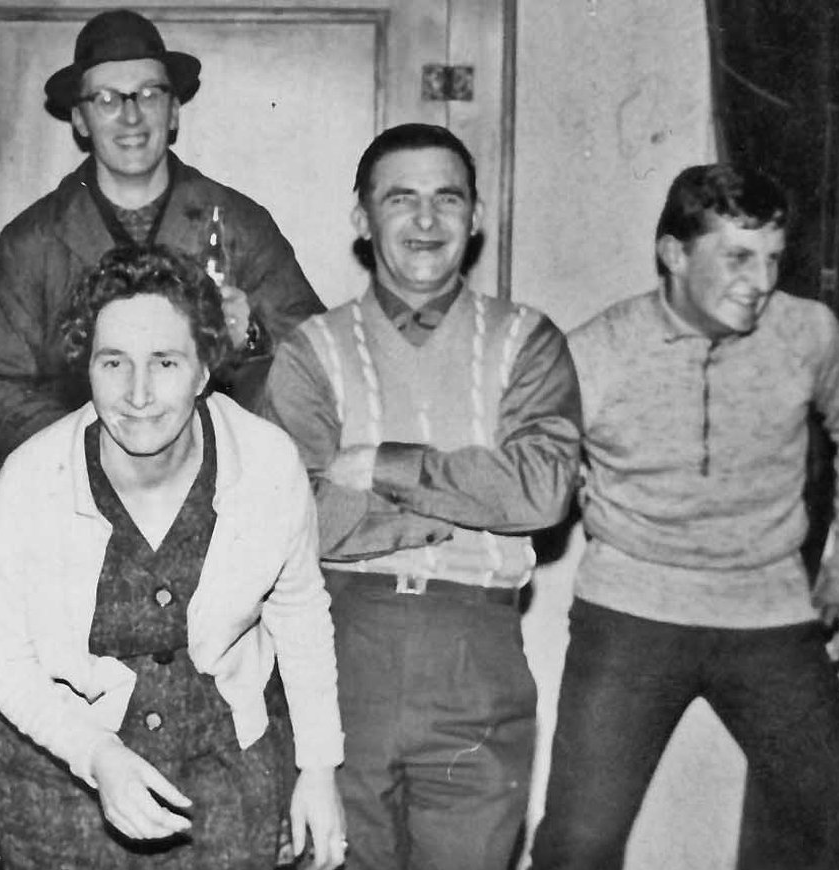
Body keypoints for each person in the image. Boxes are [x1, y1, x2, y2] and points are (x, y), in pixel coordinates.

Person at [262, 123, 582, 870]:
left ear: (476, 216)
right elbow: (291, 521)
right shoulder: (312, 351)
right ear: (362, 218)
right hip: (340, 646)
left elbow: (541, 491)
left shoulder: (527, 341)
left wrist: (383, 463)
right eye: (401, 199)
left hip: (477, 651)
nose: (427, 220)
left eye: (448, 198)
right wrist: (455, 512)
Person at [529, 164, 839, 869]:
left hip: (769, 614)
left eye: (773, 258)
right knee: (578, 847)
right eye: (738, 257)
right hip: (631, 614)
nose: (761, 280)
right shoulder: (596, 352)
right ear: (674, 254)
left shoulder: (808, 333)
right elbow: (528, 468)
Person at [0, 244, 346, 869]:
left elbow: (300, 615)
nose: (138, 393)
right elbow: (8, 666)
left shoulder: (266, 463)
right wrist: (97, 755)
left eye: (166, 362)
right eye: (113, 362)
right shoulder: (30, 480)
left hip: (223, 777)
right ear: (87, 368)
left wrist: (318, 769)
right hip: (60, 780)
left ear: (204, 371)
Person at [0, 8, 324, 588]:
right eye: (107, 99)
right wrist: (105, 441)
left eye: (149, 94)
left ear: (173, 111)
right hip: (66, 492)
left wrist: (250, 340)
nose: (130, 115)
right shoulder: (32, 241)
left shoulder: (239, 224)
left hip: (215, 493)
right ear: (80, 119)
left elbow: (318, 368)